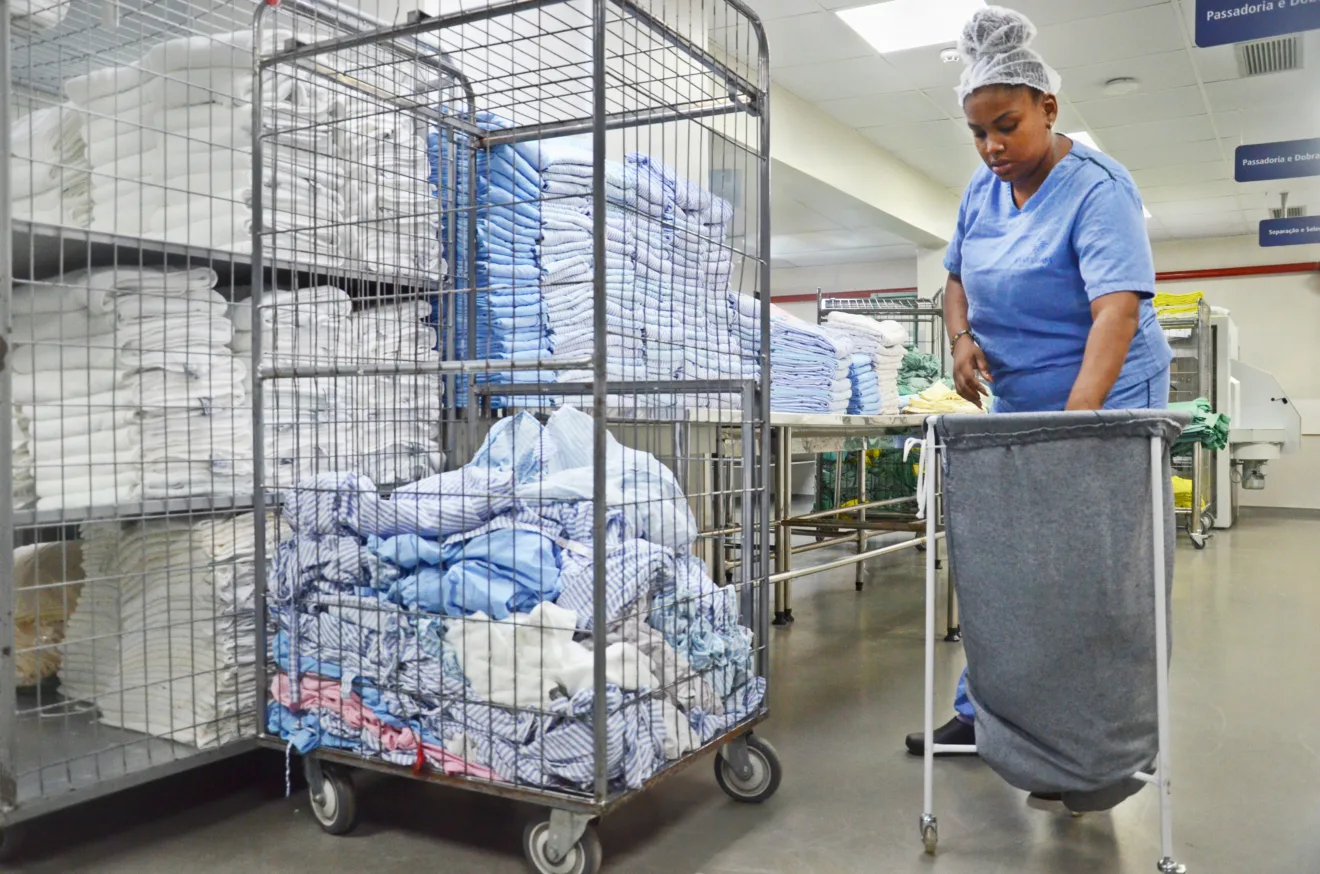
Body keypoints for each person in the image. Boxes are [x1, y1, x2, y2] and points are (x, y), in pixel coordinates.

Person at [903, 6, 1173, 761]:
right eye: (979, 132)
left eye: (1007, 125)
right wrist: (960, 340)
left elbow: (1116, 312)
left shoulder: (1097, 187)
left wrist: (1076, 426)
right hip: (1022, 400)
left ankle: (1097, 737)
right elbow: (954, 277)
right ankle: (984, 713)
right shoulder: (980, 192)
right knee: (1007, 562)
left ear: (1049, 109)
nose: (992, 146)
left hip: (1107, 395)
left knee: (1091, 570)